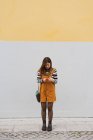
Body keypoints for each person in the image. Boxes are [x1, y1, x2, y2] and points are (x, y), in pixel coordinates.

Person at [37, 57, 58, 131]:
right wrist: (42, 79)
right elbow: (38, 80)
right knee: (43, 108)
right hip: (42, 91)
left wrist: (51, 79)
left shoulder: (54, 70)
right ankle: (43, 123)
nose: (47, 66)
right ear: (43, 64)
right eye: (45, 65)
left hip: (51, 91)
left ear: (50, 64)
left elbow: (56, 81)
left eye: (48, 65)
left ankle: (50, 124)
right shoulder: (40, 71)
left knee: (50, 107)